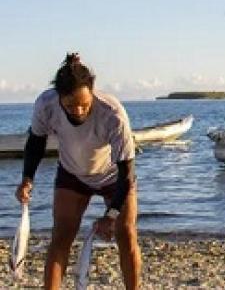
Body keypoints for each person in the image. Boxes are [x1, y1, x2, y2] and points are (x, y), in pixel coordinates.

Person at [15, 53, 141, 289]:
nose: (79, 110)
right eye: (71, 105)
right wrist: (27, 179)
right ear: (59, 98)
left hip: (114, 177)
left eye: (84, 104)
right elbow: (35, 143)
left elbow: (127, 172)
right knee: (60, 238)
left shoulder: (113, 114)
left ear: (92, 91)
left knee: (127, 235)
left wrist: (110, 215)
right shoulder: (46, 105)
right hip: (72, 175)